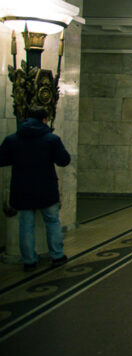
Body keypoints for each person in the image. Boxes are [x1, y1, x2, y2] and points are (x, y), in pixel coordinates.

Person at [0, 106, 71, 271]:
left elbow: (2, 159)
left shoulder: (13, 139)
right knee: (52, 222)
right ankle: (57, 256)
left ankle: (29, 260)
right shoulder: (51, 139)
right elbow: (64, 160)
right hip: (46, 188)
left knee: (25, 225)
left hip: (22, 189)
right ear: (44, 120)